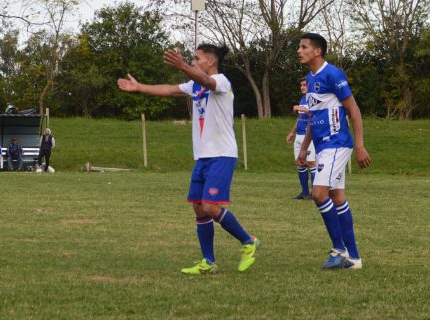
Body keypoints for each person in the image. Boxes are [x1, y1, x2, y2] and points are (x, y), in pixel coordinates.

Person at [118, 44, 260, 275]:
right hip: (203, 156)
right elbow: (169, 89)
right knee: (198, 208)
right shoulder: (195, 85)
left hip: (221, 154)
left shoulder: (222, 81)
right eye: (191, 59)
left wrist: (182, 65)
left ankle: (248, 241)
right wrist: (139, 87)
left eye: (196, 58)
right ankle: (208, 261)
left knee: (211, 207)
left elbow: (209, 83)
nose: (193, 62)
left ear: (210, 62)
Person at [296, 33, 371, 270]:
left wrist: (359, 145)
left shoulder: (333, 74)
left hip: (337, 143)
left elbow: (354, 110)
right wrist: (305, 148)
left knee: (319, 194)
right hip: (322, 146)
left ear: (317, 51)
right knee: (337, 198)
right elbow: (313, 116)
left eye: (304, 46)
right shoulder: (310, 78)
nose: (299, 50)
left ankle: (339, 250)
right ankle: (355, 258)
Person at [286, 78, 316, 200]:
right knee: (299, 163)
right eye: (301, 85)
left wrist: (304, 109)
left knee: (312, 163)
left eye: (305, 85)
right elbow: (300, 118)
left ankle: (315, 194)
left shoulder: (314, 99)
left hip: (309, 136)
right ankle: (304, 193)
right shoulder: (303, 99)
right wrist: (292, 132)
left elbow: (317, 115)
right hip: (299, 136)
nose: (302, 87)